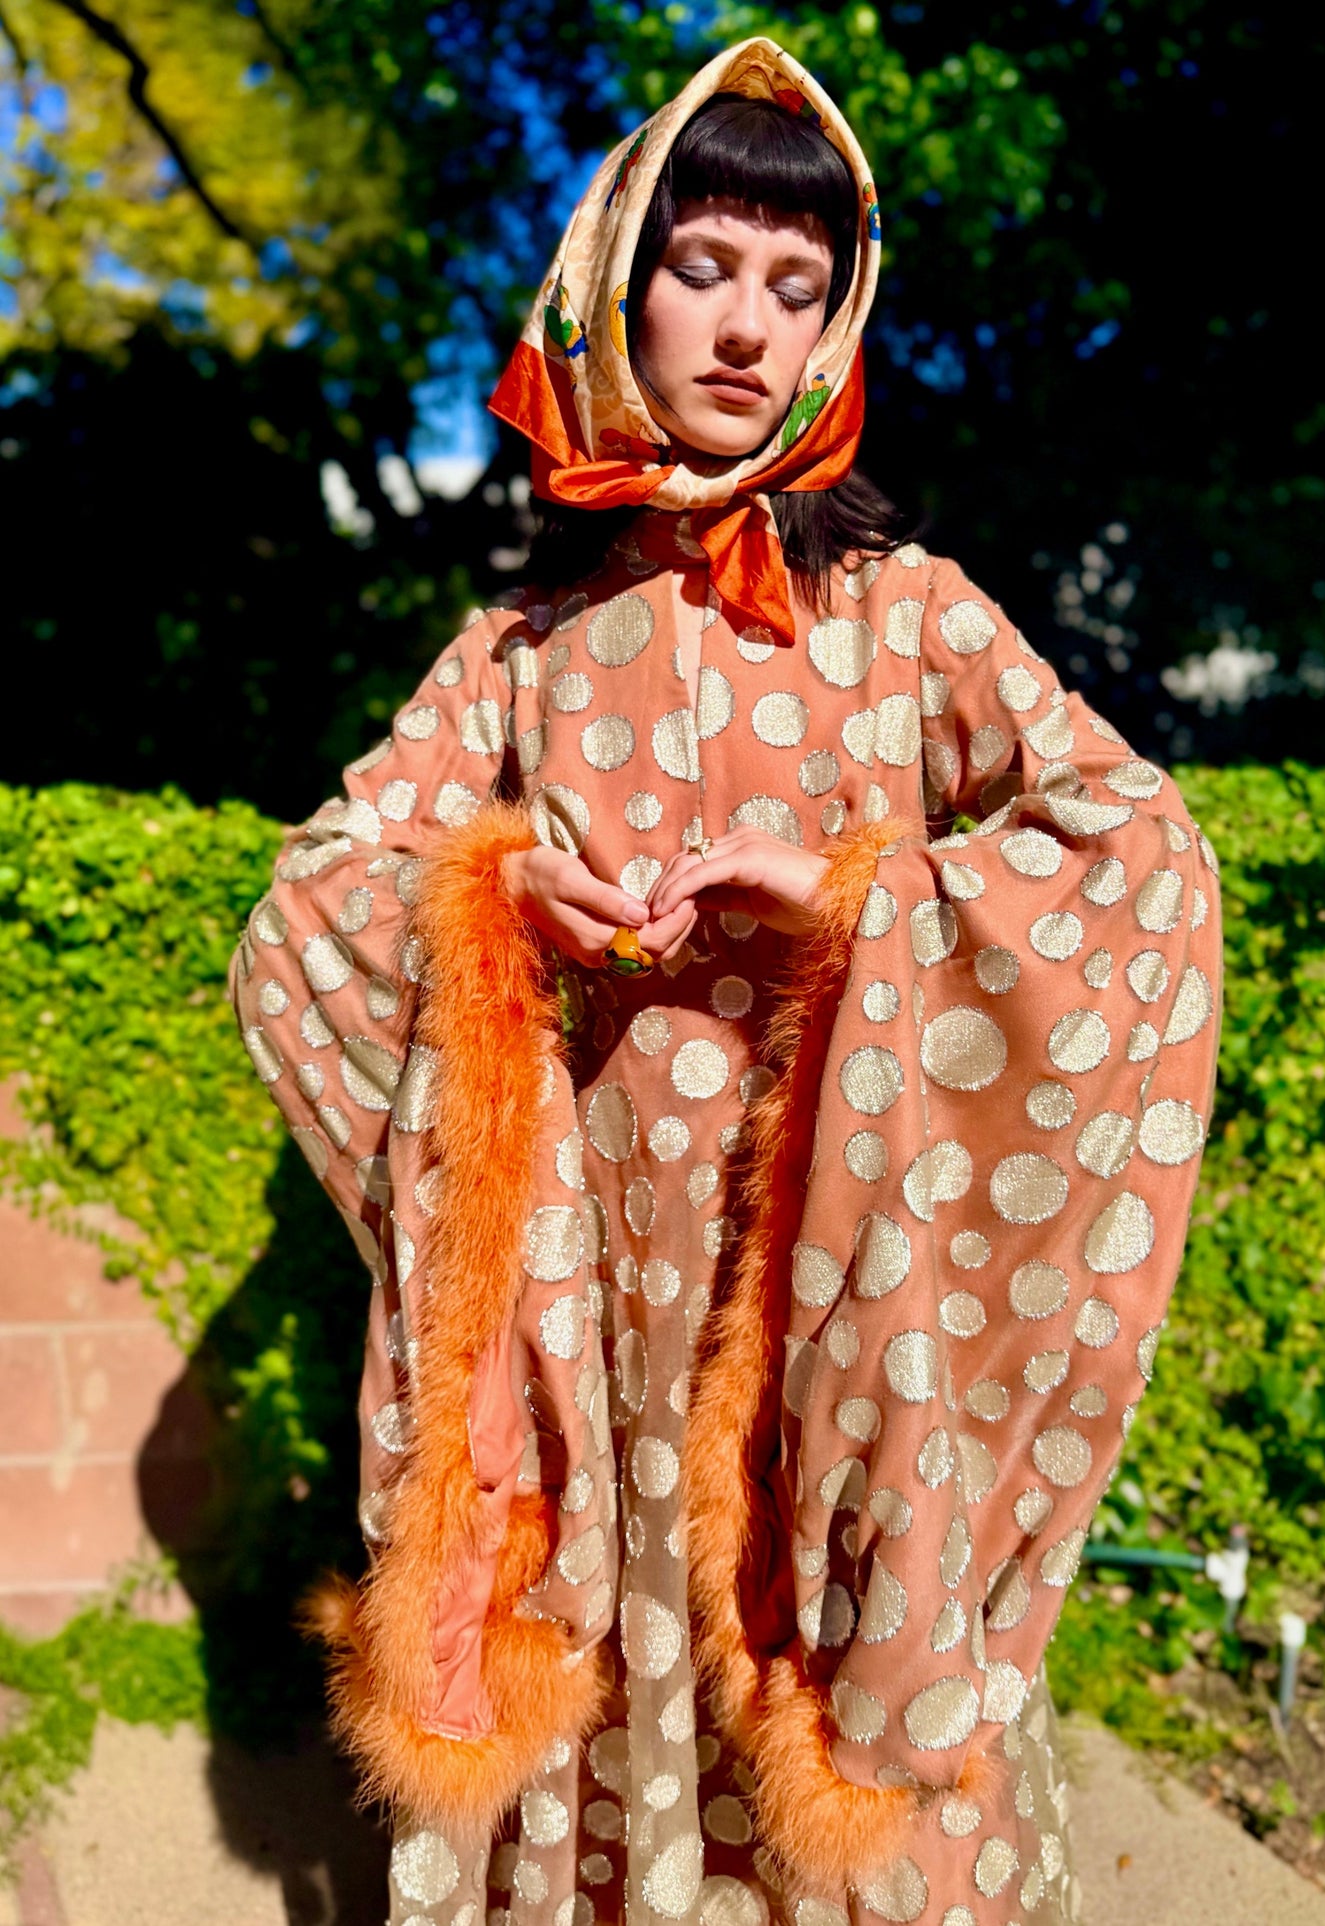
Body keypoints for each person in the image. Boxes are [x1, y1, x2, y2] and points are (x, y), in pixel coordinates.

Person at [230, 36, 1223, 1926]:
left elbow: (1137, 857)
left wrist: (858, 895)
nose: (748, 330)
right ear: (611, 285)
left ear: (840, 319)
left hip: (836, 1282)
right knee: (611, 1626)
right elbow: (314, 900)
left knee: (817, 1648)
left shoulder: (908, 612)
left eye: (797, 283)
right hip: (589, 1293)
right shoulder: (517, 646)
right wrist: (501, 891)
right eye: (701, 267)